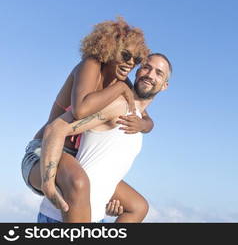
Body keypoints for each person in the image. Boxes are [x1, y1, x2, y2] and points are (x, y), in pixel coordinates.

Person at [21, 17, 153, 222]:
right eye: (125, 55)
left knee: (137, 206)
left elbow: (144, 116)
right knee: (78, 181)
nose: (130, 63)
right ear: (109, 47)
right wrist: (121, 88)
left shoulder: (122, 81)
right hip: (43, 151)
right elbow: (81, 109)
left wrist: (145, 125)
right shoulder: (91, 65)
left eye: (136, 60)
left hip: (75, 159)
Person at [37, 53, 172, 222]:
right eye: (146, 67)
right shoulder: (116, 103)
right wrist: (47, 182)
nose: (150, 75)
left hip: (96, 216)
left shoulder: (138, 118)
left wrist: (109, 198)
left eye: (159, 73)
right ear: (137, 71)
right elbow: (57, 128)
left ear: (165, 85)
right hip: (62, 215)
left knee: (139, 207)